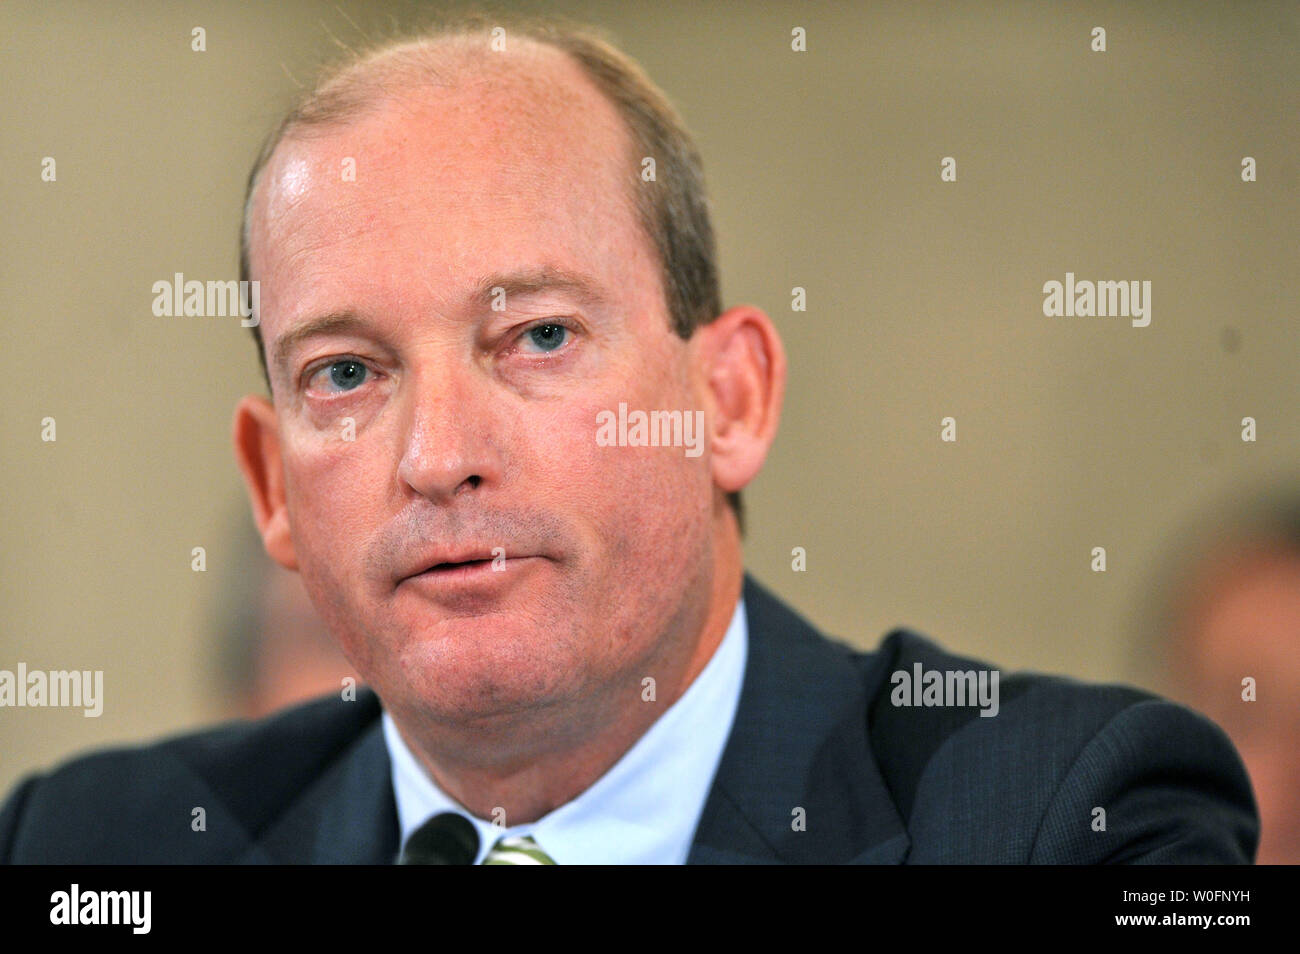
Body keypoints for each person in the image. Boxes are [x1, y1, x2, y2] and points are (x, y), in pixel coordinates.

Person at [0, 15, 1258, 864]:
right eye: (345, 372)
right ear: (272, 487)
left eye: (537, 338)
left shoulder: (1067, 819)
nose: (437, 454)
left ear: (730, 400)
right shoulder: (95, 850)